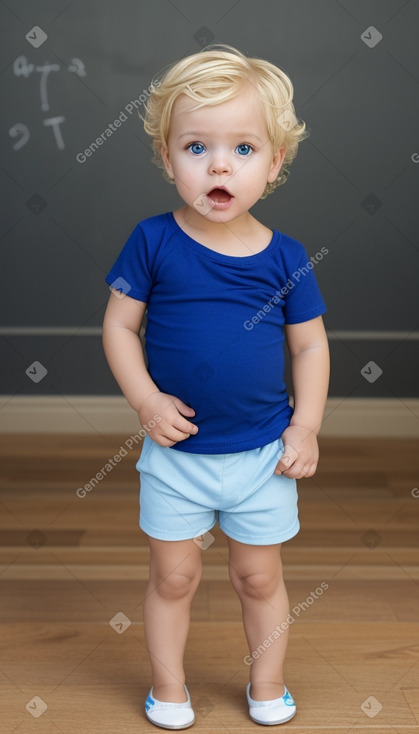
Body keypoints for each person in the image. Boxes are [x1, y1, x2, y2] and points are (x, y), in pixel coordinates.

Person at [102, 43, 330, 729]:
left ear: (274, 162)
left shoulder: (287, 256)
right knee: (174, 577)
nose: (219, 165)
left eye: (242, 148)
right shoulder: (151, 241)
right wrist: (145, 400)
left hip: (262, 454)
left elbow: (310, 344)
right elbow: (118, 328)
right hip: (177, 458)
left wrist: (306, 425)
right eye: (196, 147)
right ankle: (167, 687)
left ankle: (268, 682)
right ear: (168, 160)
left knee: (258, 577)